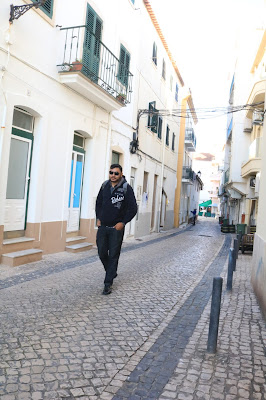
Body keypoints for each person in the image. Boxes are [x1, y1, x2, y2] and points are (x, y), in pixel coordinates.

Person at [95, 164, 137, 295]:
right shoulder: (104, 186)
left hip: (116, 229)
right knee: (102, 253)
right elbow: (98, 203)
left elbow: (133, 208)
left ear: (121, 174)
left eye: (116, 173)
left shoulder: (126, 188)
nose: (113, 175)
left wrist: (123, 223)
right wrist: (98, 217)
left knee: (113, 255)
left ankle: (107, 284)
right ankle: (111, 272)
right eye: (111, 173)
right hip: (103, 227)